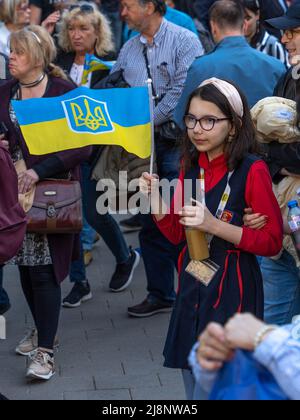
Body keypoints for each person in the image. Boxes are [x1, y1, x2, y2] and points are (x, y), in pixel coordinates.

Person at [139, 78, 283, 399]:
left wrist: (216, 225)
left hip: (234, 289)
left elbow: (272, 242)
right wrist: (156, 201)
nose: (197, 129)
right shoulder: (190, 166)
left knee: (224, 381)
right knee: (191, 377)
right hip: (192, 282)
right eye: (191, 119)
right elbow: (178, 234)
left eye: (209, 120)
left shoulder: (252, 169)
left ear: (233, 126)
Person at [0, 25, 92, 381]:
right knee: (24, 267)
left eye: (18, 53)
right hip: (13, 196)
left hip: (51, 194)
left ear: (37, 57)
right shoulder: (5, 91)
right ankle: (42, 329)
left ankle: (45, 352)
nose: (11, 58)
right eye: (11, 52)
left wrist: (40, 170)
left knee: (44, 271)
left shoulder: (62, 92)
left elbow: (83, 145)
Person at [112, 0, 203, 318]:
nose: (122, 13)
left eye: (127, 6)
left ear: (149, 6)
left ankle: (195, 290)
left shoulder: (183, 40)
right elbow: (117, 84)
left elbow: (183, 91)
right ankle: (161, 293)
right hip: (143, 149)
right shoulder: (129, 47)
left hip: (179, 143)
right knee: (151, 221)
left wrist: (144, 118)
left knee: (183, 217)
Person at [250, 3, 300, 325]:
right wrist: (282, 162)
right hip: (281, 217)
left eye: (293, 31)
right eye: (283, 32)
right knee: (273, 321)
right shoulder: (287, 76)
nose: (284, 38)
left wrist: (277, 157)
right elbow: (261, 146)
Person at [174, 0, 286, 128]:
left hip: (216, 145)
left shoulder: (199, 68)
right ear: (244, 25)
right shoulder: (276, 67)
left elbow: (182, 119)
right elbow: (285, 117)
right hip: (263, 145)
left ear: (213, 27)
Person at [189, 313, 300, 400]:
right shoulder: (289, 332)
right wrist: (215, 351)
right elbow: (223, 382)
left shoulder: (274, 340)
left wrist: (265, 337)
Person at [242, 0, 288, 66]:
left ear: (257, 14)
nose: (244, 24)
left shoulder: (272, 45)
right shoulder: (230, 44)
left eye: (247, 18)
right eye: (240, 18)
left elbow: (285, 73)